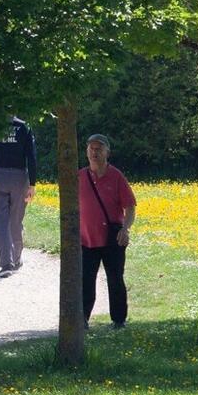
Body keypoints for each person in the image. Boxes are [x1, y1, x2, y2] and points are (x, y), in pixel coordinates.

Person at [79, 134, 136, 329]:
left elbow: (130, 207)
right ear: (87, 152)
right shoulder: (79, 177)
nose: (95, 152)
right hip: (86, 239)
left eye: (99, 149)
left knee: (115, 279)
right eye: (91, 148)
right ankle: (82, 320)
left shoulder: (116, 176)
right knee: (85, 281)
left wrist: (125, 229)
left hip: (113, 238)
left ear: (107, 152)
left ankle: (119, 320)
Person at [0, 115, 38, 277]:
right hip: (19, 178)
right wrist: (33, 183)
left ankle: (6, 264)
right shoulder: (24, 127)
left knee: (1, 221)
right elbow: (31, 156)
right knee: (16, 219)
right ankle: (16, 258)